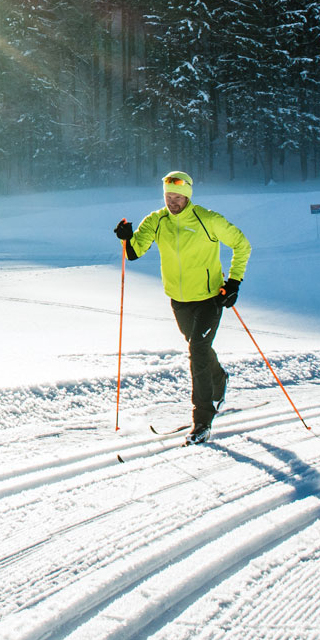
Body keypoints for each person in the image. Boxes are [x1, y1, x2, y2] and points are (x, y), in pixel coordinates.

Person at [115, 171, 253, 444]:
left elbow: (242, 244)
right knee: (197, 346)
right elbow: (134, 253)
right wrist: (125, 237)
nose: (172, 201)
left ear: (188, 196)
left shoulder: (208, 219)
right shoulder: (156, 221)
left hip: (209, 299)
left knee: (197, 352)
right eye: (168, 196)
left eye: (177, 196)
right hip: (179, 300)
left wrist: (233, 283)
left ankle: (202, 420)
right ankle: (220, 378)